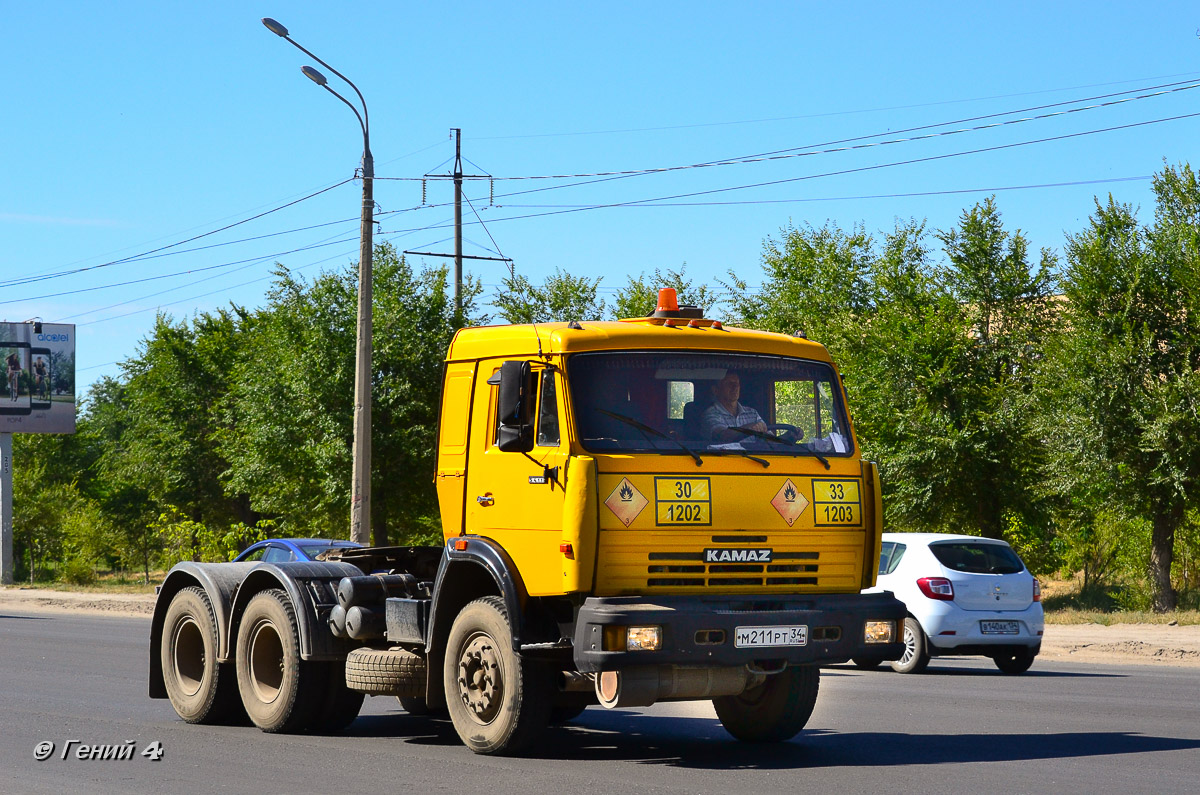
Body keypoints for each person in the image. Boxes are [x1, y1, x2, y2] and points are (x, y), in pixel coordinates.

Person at [703, 371, 767, 442]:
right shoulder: (711, 414)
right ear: (715, 390)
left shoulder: (752, 413)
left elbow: (768, 437)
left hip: (756, 453)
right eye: (729, 384)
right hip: (724, 453)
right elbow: (722, 435)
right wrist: (748, 428)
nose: (735, 387)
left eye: (737, 384)